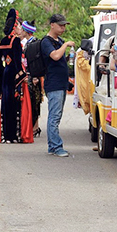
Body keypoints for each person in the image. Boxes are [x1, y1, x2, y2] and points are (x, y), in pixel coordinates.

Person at [40, 14, 75, 157]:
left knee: (57, 115)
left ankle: (52, 146)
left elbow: (59, 59)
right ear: (52, 25)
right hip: (53, 83)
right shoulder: (46, 41)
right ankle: (56, 146)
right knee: (54, 116)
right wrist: (66, 45)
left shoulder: (59, 40)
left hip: (61, 83)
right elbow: (54, 56)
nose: (63, 28)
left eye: (65, 25)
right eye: (60, 25)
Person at [0, 9, 29, 143]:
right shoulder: (15, 41)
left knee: (5, 104)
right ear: (15, 27)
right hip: (14, 75)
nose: (20, 28)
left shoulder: (2, 41)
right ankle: (14, 136)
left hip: (4, 75)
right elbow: (16, 61)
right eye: (19, 26)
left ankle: (5, 136)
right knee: (15, 105)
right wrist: (22, 76)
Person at [18, 20, 43, 138]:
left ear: (26, 32)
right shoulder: (27, 43)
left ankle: (34, 127)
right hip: (27, 76)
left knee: (34, 102)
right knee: (29, 102)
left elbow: (36, 62)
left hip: (33, 77)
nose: (20, 31)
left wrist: (36, 76)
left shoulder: (35, 44)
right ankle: (33, 127)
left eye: (22, 30)